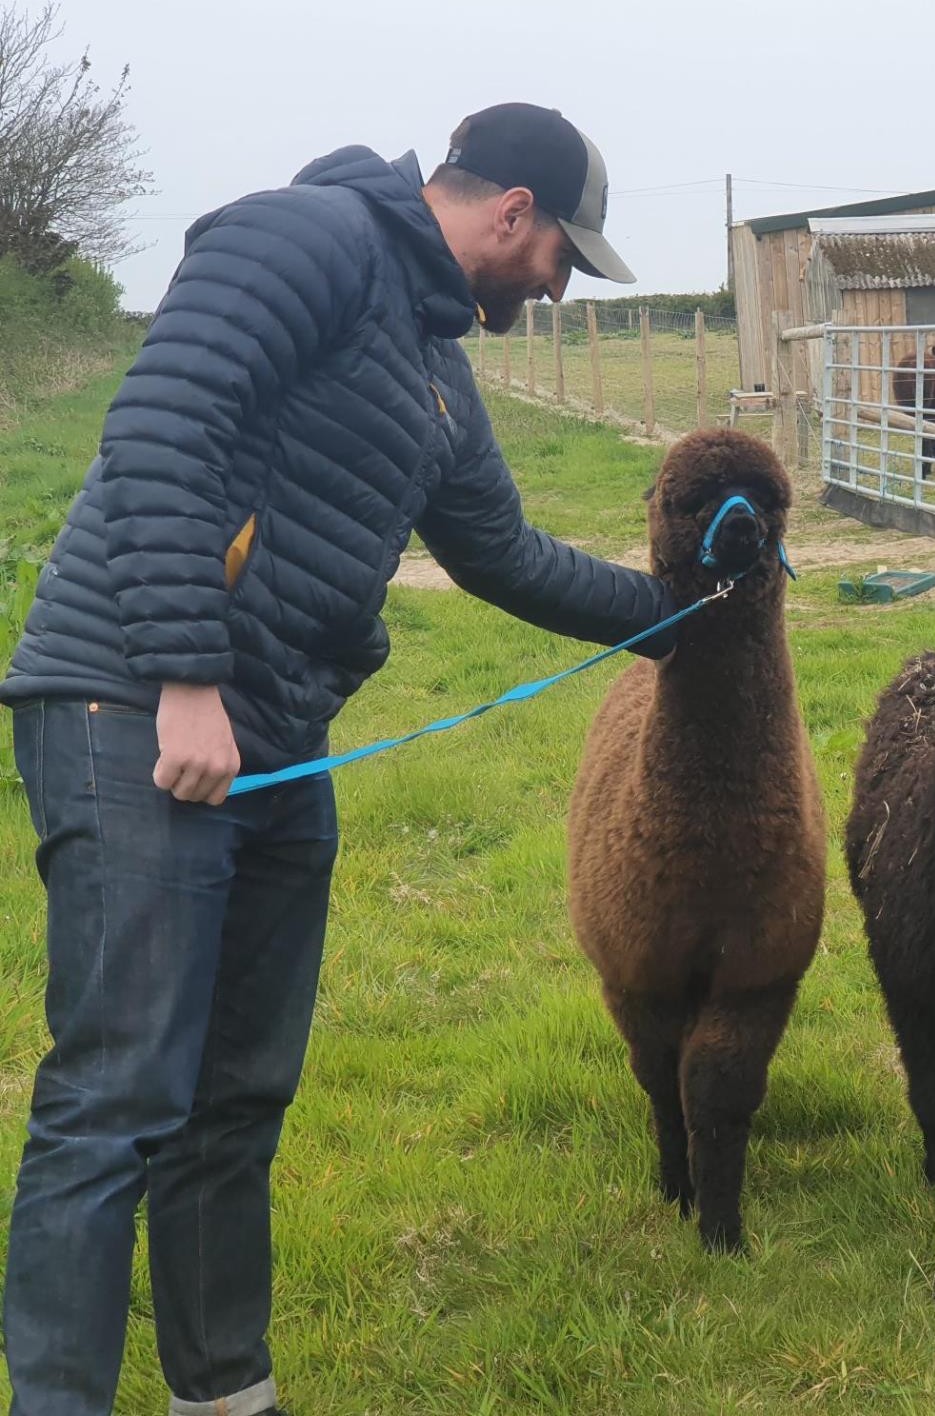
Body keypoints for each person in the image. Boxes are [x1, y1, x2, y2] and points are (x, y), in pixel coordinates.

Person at [0, 104, 674, 1416]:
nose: (555, 289)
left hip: (274, 743)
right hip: (129, 703)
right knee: (120, 1093)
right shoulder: (302, 238)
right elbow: (163, 432)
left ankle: (224, 1394)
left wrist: (691, 614)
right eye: (560, 262)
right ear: (512, 212)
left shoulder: (436, 362)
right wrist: (187, 680)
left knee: (239, 1093)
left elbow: (506, 554)